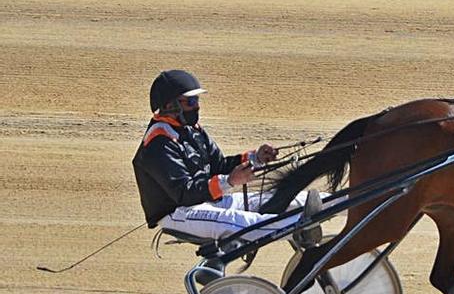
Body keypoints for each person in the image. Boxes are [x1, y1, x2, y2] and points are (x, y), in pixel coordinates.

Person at [132, 70, 320, 276]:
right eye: (191, 101)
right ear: (170, 105)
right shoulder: (158, 143)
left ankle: (321, 210)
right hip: (178, 213)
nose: (197, 106)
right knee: (244, 224)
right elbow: (184, 193)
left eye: (196, 100)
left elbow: (219, 165)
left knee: (287, 199)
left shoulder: (192, 129)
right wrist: (230, 181)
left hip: (210, 202)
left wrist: (255, 158)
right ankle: (302, 224)